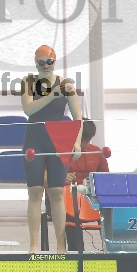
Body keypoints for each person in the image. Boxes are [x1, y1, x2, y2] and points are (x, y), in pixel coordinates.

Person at [21, 45, 82, 254]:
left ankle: (61, 245)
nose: (46, 66)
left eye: (50, 62)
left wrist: (76, 142)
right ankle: (33, 245)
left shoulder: (66, 85)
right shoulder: (28, 82)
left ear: (55, 62)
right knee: (35, 191)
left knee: (57, 192)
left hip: (58, 141)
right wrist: (52, 95)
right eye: (41, 62)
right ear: (35, 63)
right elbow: (28, 109)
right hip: (34, 140)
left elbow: (78, 117)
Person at [64, 118, 109, 250]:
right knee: (70, 211)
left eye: (88, 140)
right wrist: (61, 178)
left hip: (92, 198)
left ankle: (111, 249)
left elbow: (106, 180)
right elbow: (47, 179)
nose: (85, 144)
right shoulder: (60, 153)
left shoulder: (96, 152)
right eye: (83, 141)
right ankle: (78, 253)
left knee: (110, 209)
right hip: (68, 199)